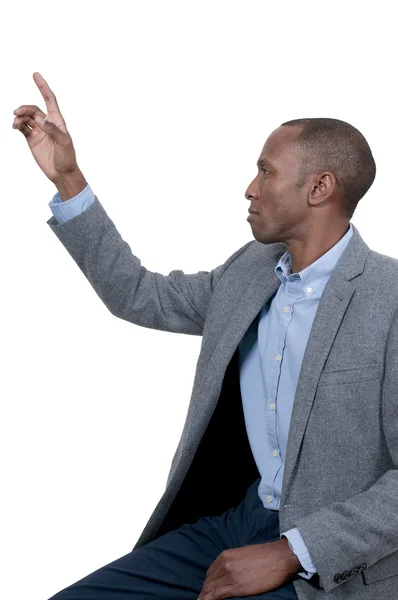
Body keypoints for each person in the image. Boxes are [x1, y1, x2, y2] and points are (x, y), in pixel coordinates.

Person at [12, 72, 398, 600]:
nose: (250, 187)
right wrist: (69, 180)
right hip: (239, 522)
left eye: (265, 171)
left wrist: (293, 551)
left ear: (319, 187)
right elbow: (138, 294)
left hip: (336, 562)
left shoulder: (389, 298)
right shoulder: (250, 272)